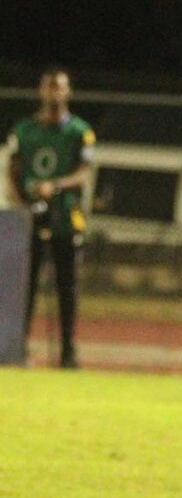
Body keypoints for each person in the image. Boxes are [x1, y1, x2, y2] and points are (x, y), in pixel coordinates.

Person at [6, 68, 95, 369]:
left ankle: (68, 351)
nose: (54, 92)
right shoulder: (23, 130)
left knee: (67, 285)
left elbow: (84, 172)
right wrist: (24, 204)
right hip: (30, 219)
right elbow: (13, 172)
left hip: (66, 217)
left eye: (60, 87)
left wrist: (55, 186)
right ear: (40, 90)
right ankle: (18, 347)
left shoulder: (80, 131)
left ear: (68, 92)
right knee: (24, 286)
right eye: (49, 86)